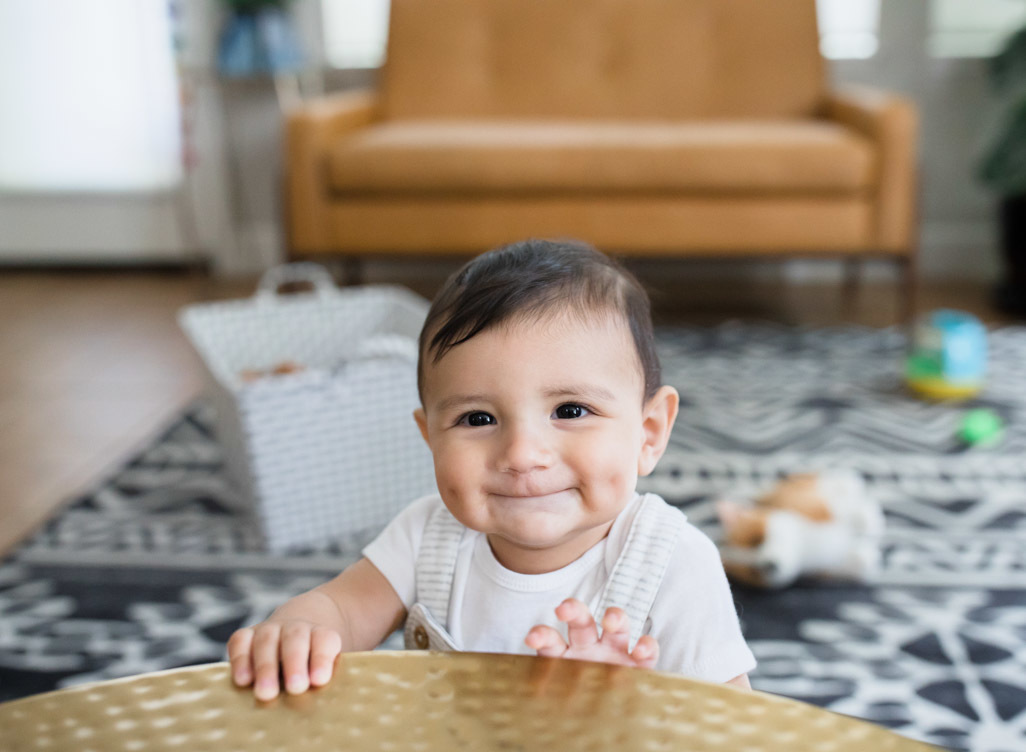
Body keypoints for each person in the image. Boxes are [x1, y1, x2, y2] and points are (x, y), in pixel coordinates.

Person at [228, 239, 755, 701]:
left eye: (570, 411)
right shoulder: (428, 535)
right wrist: (302, 627)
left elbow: (732, 735)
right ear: (430, 436)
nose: (523, 454)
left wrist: (632, 712)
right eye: (477, 418)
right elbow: (340, 610)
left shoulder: (672, 564)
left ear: (648, 433)